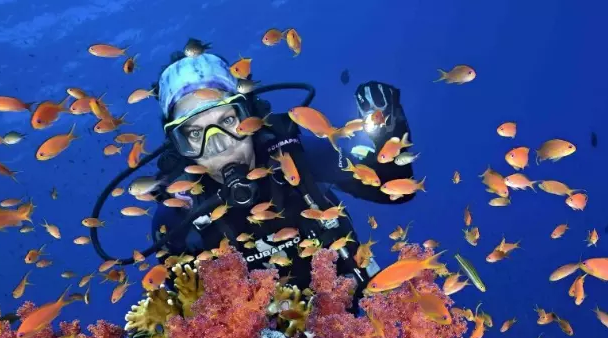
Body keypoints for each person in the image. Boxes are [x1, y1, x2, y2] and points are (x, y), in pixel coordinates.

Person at [145, 43, 419, 310]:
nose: (220, 145)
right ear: (177, 146)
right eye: (194, 133)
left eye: (228, 121)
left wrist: (390, 131)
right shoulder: (177, 215)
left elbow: (394, 191)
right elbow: (187, 313)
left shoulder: (298, 157)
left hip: (340, 323)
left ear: (250, 115)